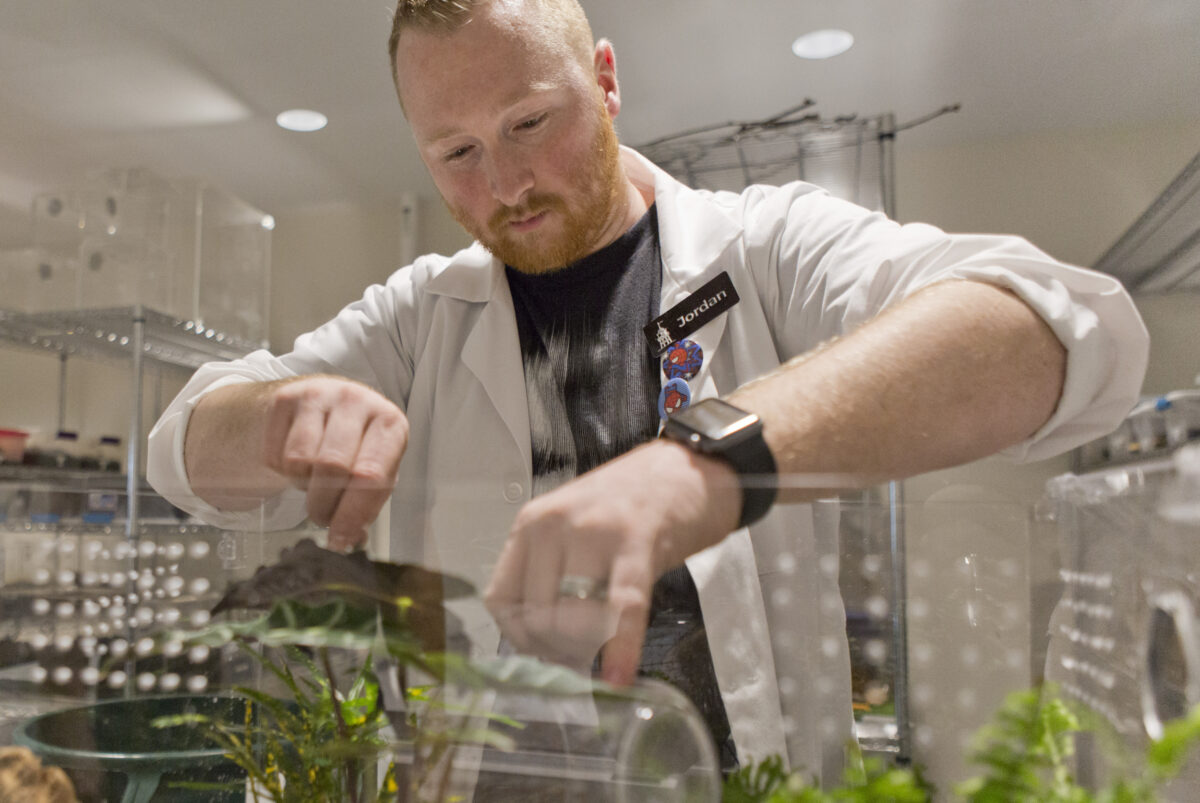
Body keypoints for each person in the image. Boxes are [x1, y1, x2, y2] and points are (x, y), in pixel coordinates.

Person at [146, 0, 1149, 785]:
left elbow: (1065, 322)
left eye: (530, 120)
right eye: (456, 153)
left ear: (606, 80)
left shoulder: (764, 247)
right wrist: (278, 418)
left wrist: (707, 467)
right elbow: (182, 448)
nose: (504, 184)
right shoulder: (421, 313)